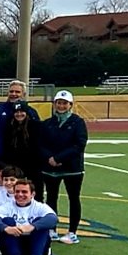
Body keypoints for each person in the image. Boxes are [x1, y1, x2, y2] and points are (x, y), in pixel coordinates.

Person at [38, 90, 88, 245]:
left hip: (72, 169)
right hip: (50, 168)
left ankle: (72, 232)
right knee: (51, 198)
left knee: (74, 198)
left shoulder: (78, 122)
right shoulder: (47, 123)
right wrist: (50, 158)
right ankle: (51, 229)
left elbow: (79, 144)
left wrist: (59, 158)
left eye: (65, 103)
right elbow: (40, 143)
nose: (61, 106)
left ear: (70, 105)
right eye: (59, 103)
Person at [0, 178, 58, 255]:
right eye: (17, 191)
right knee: (7, 221)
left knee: (41, 223)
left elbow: (53, 219)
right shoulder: (7, 206)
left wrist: (33, 226)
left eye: (24, 192)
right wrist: (7, 228)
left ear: (32, 194)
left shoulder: (39, 206)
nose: (20, 195)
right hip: (13, 248)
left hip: (35, 247)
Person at [0, 101, 43, 203]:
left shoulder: (36, 126)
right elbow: (6, 146)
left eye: (21, 112)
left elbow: (40, 145)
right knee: (17, 192)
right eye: (16, 112)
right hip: (16, 166)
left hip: (33, 165)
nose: (19, 114)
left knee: (37, 193)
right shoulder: (9, 127)